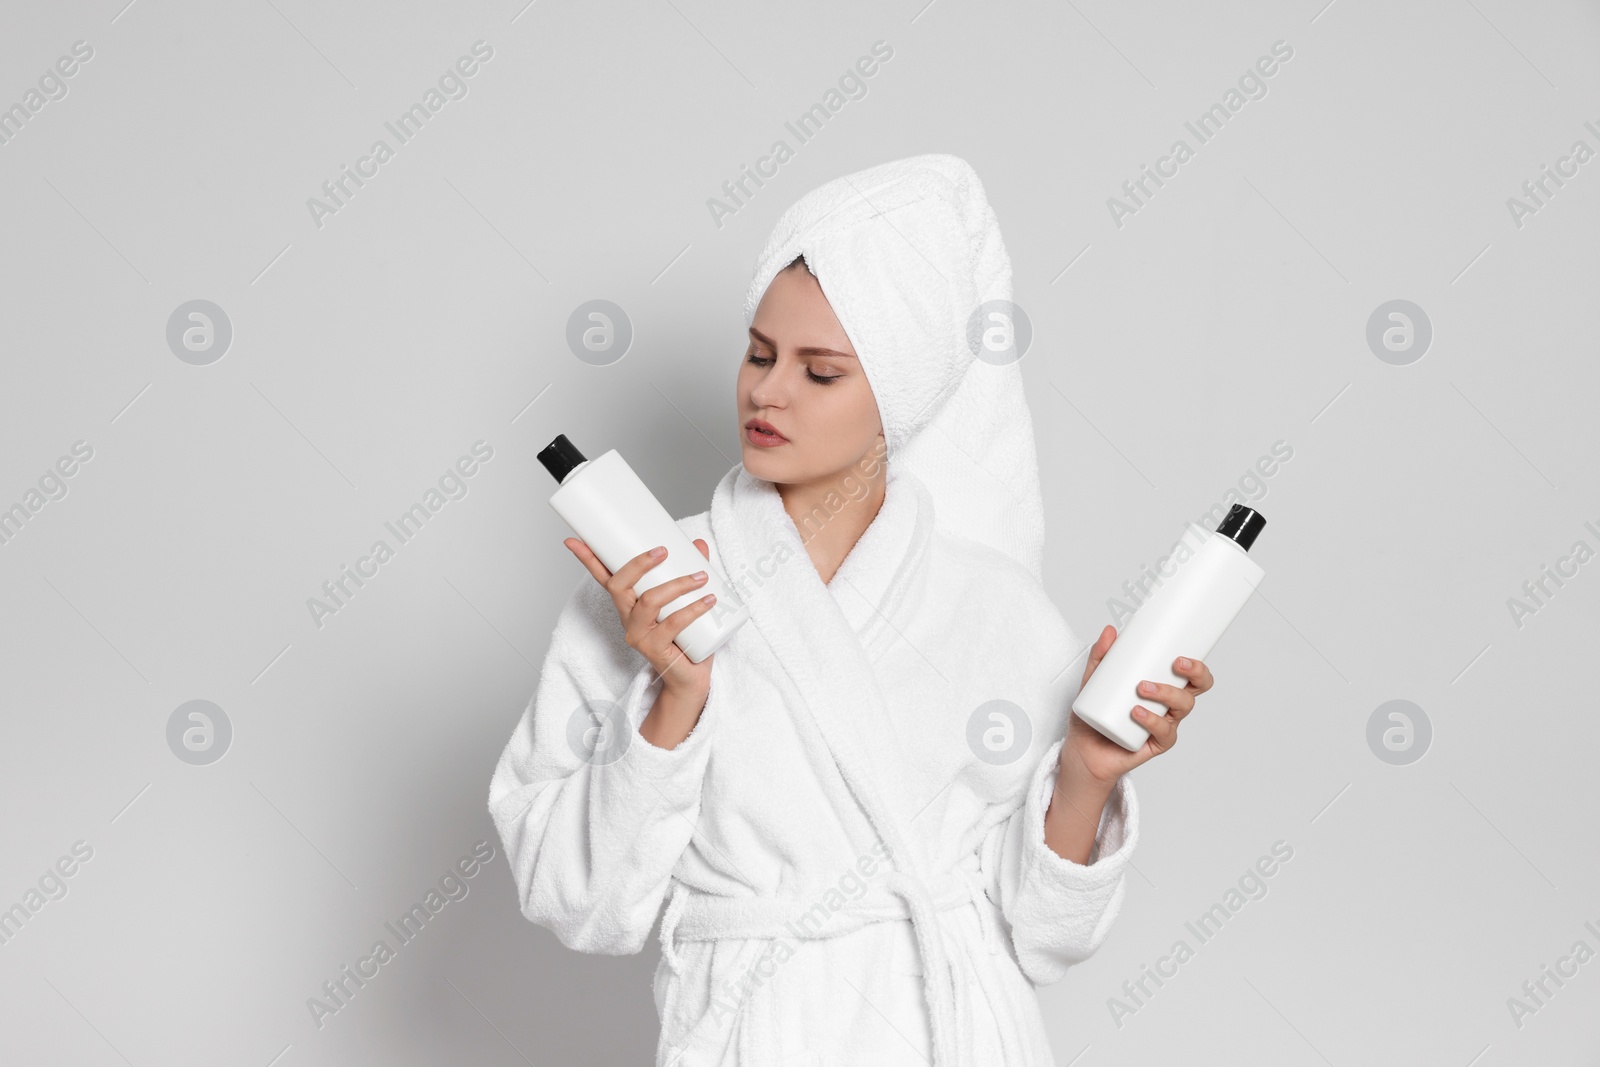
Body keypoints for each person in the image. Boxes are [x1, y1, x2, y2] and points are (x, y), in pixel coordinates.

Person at [488, 153, 1215, 1066]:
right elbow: (577, 901)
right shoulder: (648, 589)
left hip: (953, 1032)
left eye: (819, 372)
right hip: (759, 1029)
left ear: (896, 399)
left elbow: (1044, 934)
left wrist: (1088, 775)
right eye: (758, 354)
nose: (766, 391)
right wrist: (673, 700)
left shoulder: (997, 609)